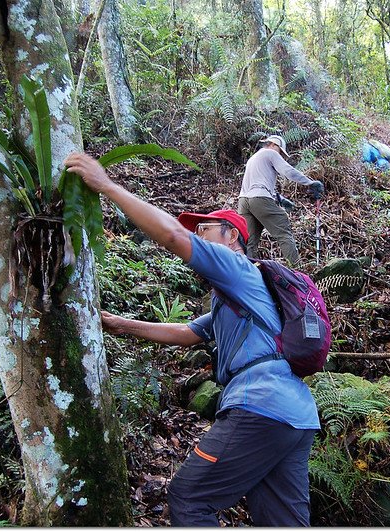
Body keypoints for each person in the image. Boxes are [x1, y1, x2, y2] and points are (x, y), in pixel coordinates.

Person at [63, 152, 321, 527]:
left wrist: (106, 186)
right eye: (197, 231)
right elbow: (186, 333)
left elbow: (172, 235)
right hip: (295, 417)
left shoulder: (237, 267)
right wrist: (119, 324)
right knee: (281, 521)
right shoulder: (236, 299)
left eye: (206, 230)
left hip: (261, 406)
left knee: (189, 497)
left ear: (233, 235)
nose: (199, 235)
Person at [238, 134, 324, 266]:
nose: (281, 156)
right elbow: (288, 171)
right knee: (283, 232)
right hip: (259, 200)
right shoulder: (270, 153)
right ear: (273, 145)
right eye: (281, 152)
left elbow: (257, 184)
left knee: (250, 241)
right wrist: (310, 183)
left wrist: (280, 199)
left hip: (243, 202)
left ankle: (248, 271)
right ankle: (297, 270)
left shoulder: (254, 158)